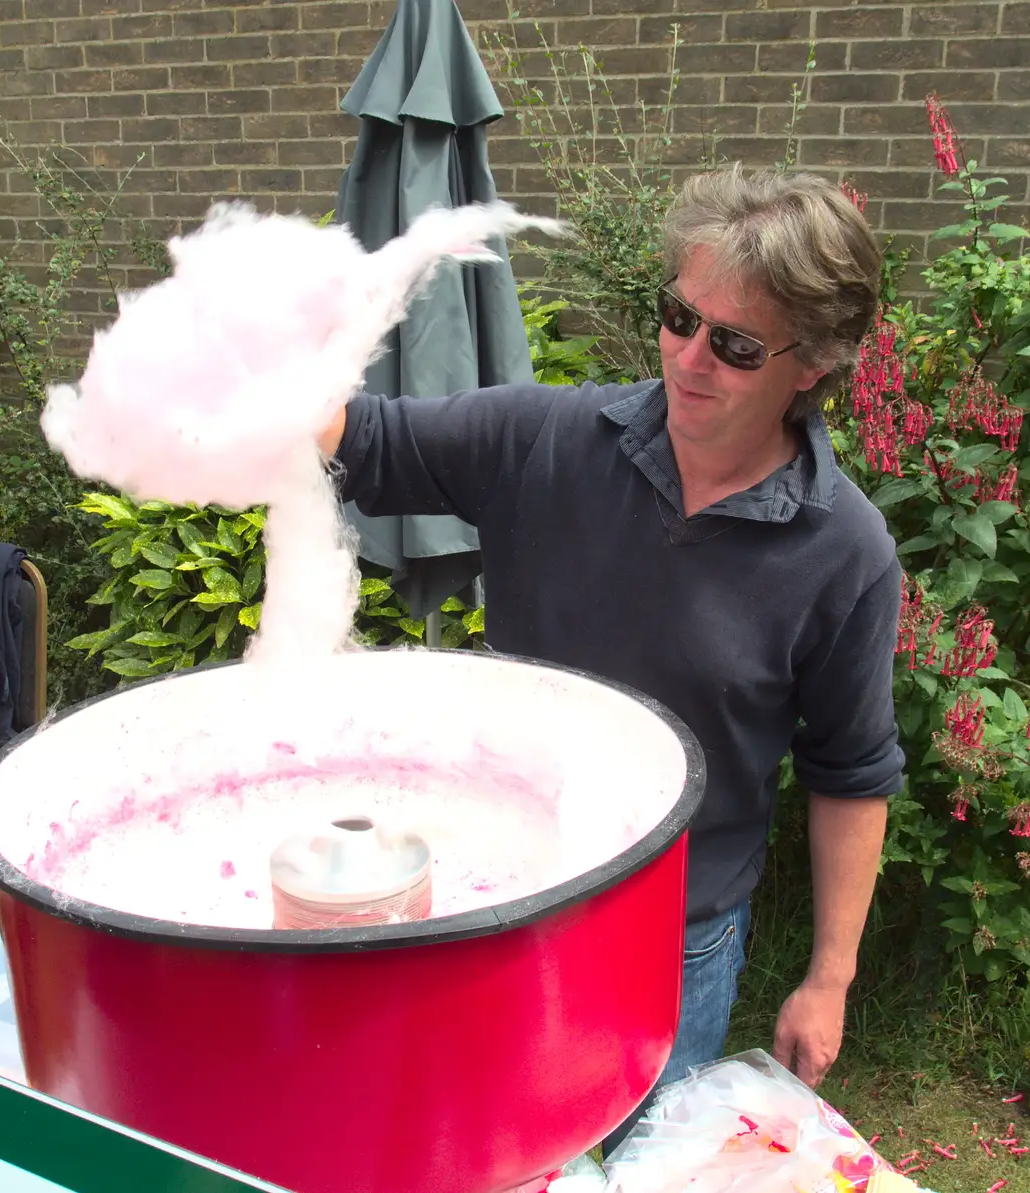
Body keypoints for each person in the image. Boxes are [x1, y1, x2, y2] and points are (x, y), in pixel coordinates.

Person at [320, 164, 904, 1105]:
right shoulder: (544, 439)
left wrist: (827, 979)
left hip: (674, 941)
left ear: (814, 366)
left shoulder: (845, 552)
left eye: (737, 345)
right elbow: (368, 441)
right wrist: (248, 382)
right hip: (499, 903)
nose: (688, 357)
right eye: (679, 317)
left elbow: (852, 772)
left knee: (634, 1159)